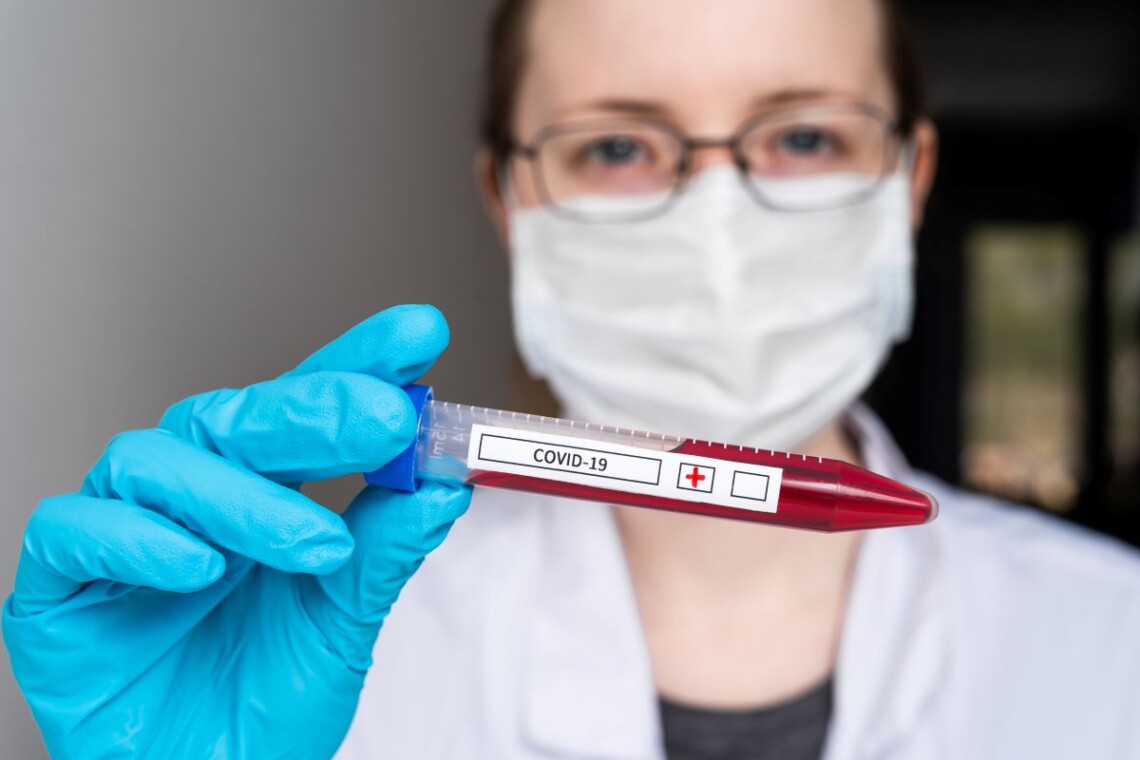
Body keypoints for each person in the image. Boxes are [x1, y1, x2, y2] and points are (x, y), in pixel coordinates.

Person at [5, 0, 1140, 758]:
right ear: (510, 201)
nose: (717, 223)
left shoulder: (1111, 638)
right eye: (617, 146)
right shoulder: (319, 654)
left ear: (908, 178)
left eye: (802, 137)